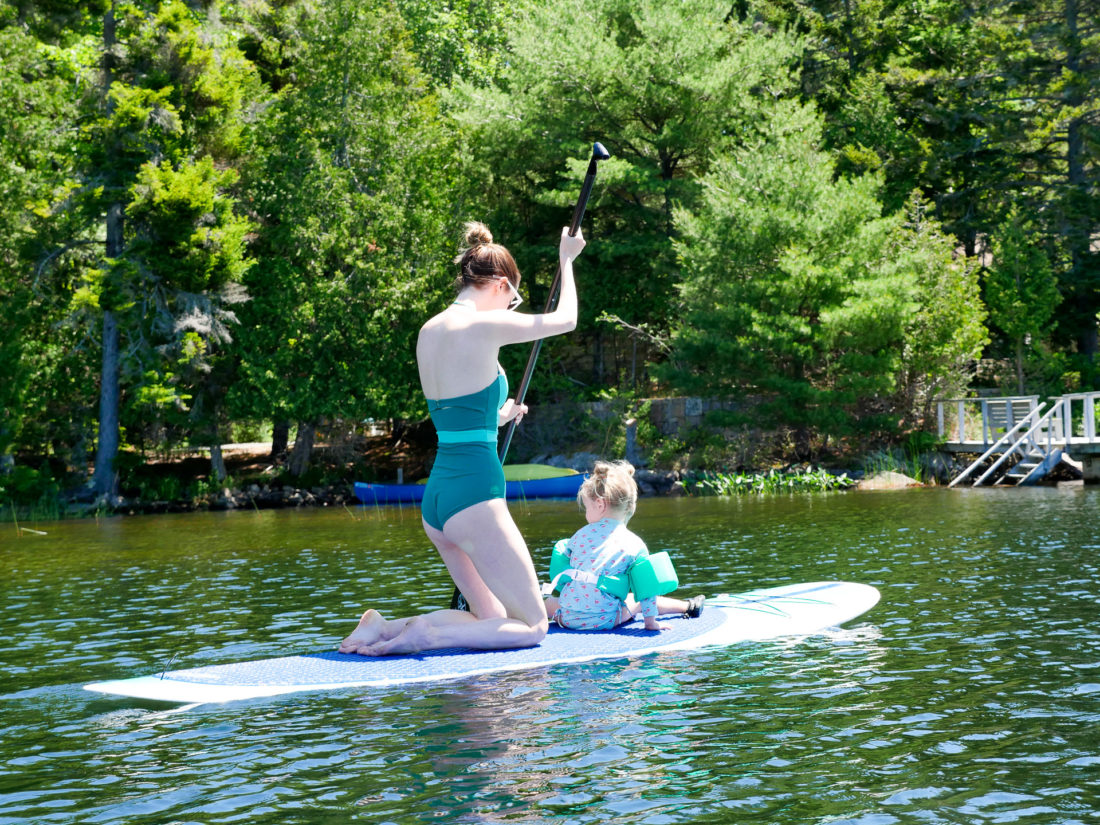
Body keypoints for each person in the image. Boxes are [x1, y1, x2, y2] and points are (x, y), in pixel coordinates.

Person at [339, 221, 586, 655]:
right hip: (475, 492)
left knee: (490, 620)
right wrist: (566, 260)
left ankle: (382, 627)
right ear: (501, 285)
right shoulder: (480, 327)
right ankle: (423, 636)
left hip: (438, 497)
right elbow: (567, 320)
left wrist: (499, 415)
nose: (511, 309)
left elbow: (457, 410)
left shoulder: (428, 331)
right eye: (513, 300)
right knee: (532, 627)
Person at [544, 460, 705, 631]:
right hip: (606, 619)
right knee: (636, 598)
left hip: (567, 617)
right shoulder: (635, 543)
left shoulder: (578, 536)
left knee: (547, 602)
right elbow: (647, 590)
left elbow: (565, 564)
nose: (586, 514)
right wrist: (650, 623)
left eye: (586, 508)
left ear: (600, 505)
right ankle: (688, 607)